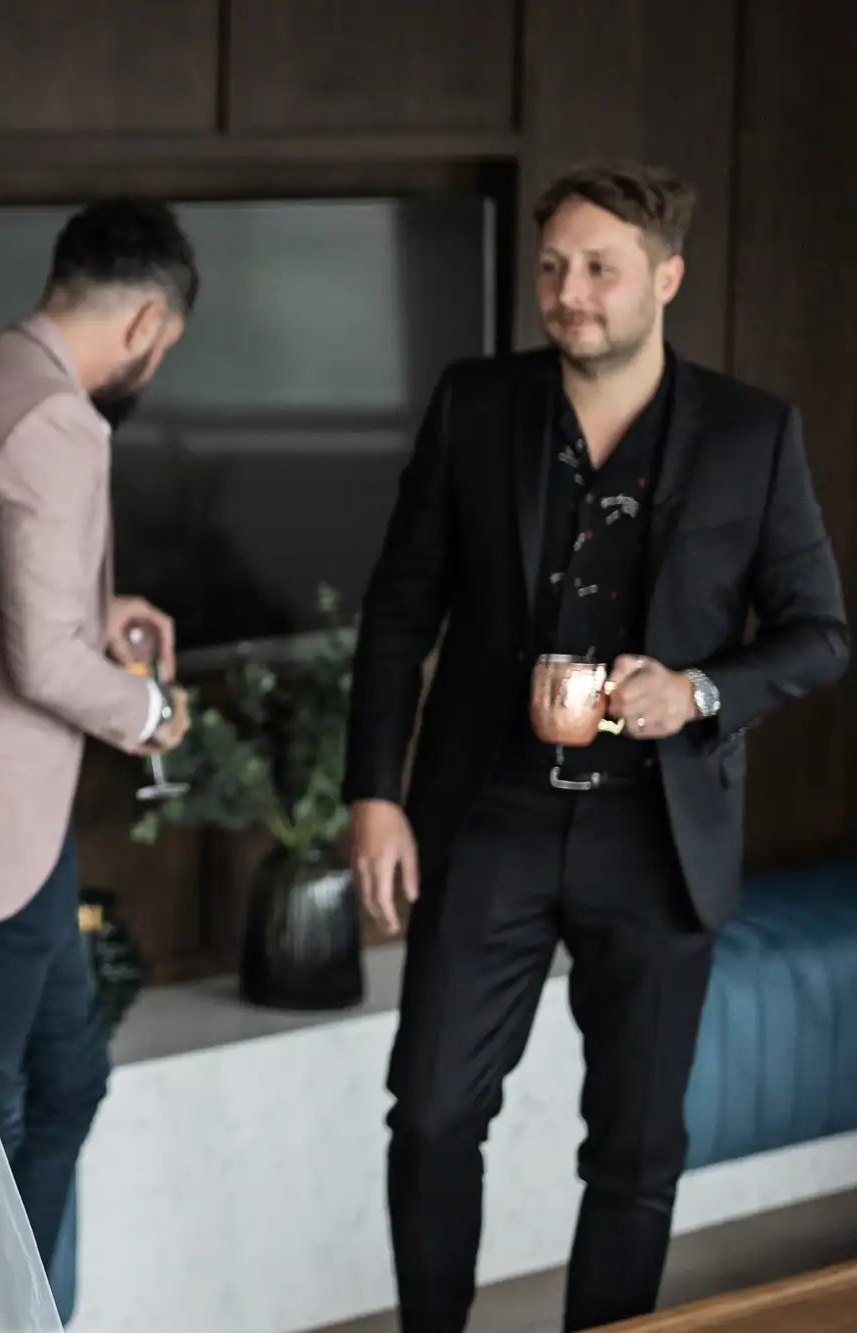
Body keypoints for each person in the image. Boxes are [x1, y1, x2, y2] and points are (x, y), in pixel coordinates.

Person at [344, 162, 848, 1333]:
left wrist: (702, 690)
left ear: (664, 279)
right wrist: (373, 793)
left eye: (598, 269)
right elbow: (398, 607)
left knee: (632, 1149)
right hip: (490, 817)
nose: (568, 293)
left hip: (657, 830)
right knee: (426, 1115)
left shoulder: (750, 433)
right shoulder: (474, 402)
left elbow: (819, 635)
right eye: (552, 267)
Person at [0, 198, 198, 1268]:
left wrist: (101, 613)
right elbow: (42, 662)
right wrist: (156, 712)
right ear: (148, 325)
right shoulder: (60, 418)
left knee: (71, 1072)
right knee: (7, 1108)